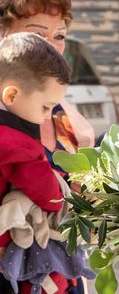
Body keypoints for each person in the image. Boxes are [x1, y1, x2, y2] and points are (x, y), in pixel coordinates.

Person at [0, 0, 95, 293]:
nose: (52, 48)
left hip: (59, 275)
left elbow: (80, 211)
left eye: (60, 35)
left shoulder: (65, 119)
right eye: (38, 35)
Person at [0, 32, 70, 292]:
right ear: (12, 95)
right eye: (46, 106)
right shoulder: (19, 146)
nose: (47, 116)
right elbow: (49, 196)